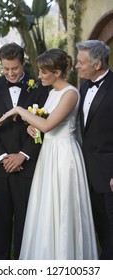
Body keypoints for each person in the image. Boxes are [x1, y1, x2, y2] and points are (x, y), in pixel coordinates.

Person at [0, 48, 98, 259]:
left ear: (57, 72)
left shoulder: (70, 93)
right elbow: (42, 126)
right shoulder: (51, 93)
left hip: (63, 156)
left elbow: (49, 124)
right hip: (48, 154)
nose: (40, 76)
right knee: (46, 208)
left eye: (43, 72)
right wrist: (30, 127)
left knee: (63, 208)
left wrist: (19, 111)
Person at [0, 42, 49, 260]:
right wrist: (2, 157)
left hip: (27, 164)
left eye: (15, 69)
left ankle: (22, 266)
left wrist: (23, 155)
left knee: (24, 220)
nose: (10, 73)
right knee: (1, 220)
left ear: (23, 63)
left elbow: (44, 126)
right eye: (5, 68)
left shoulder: (39, 87)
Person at [76, 40, 113, 260]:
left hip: (109, 174)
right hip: (88, 173)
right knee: (100, 230)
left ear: (97, 63)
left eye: (81, 62)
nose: (77, 66)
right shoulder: (84, 86)